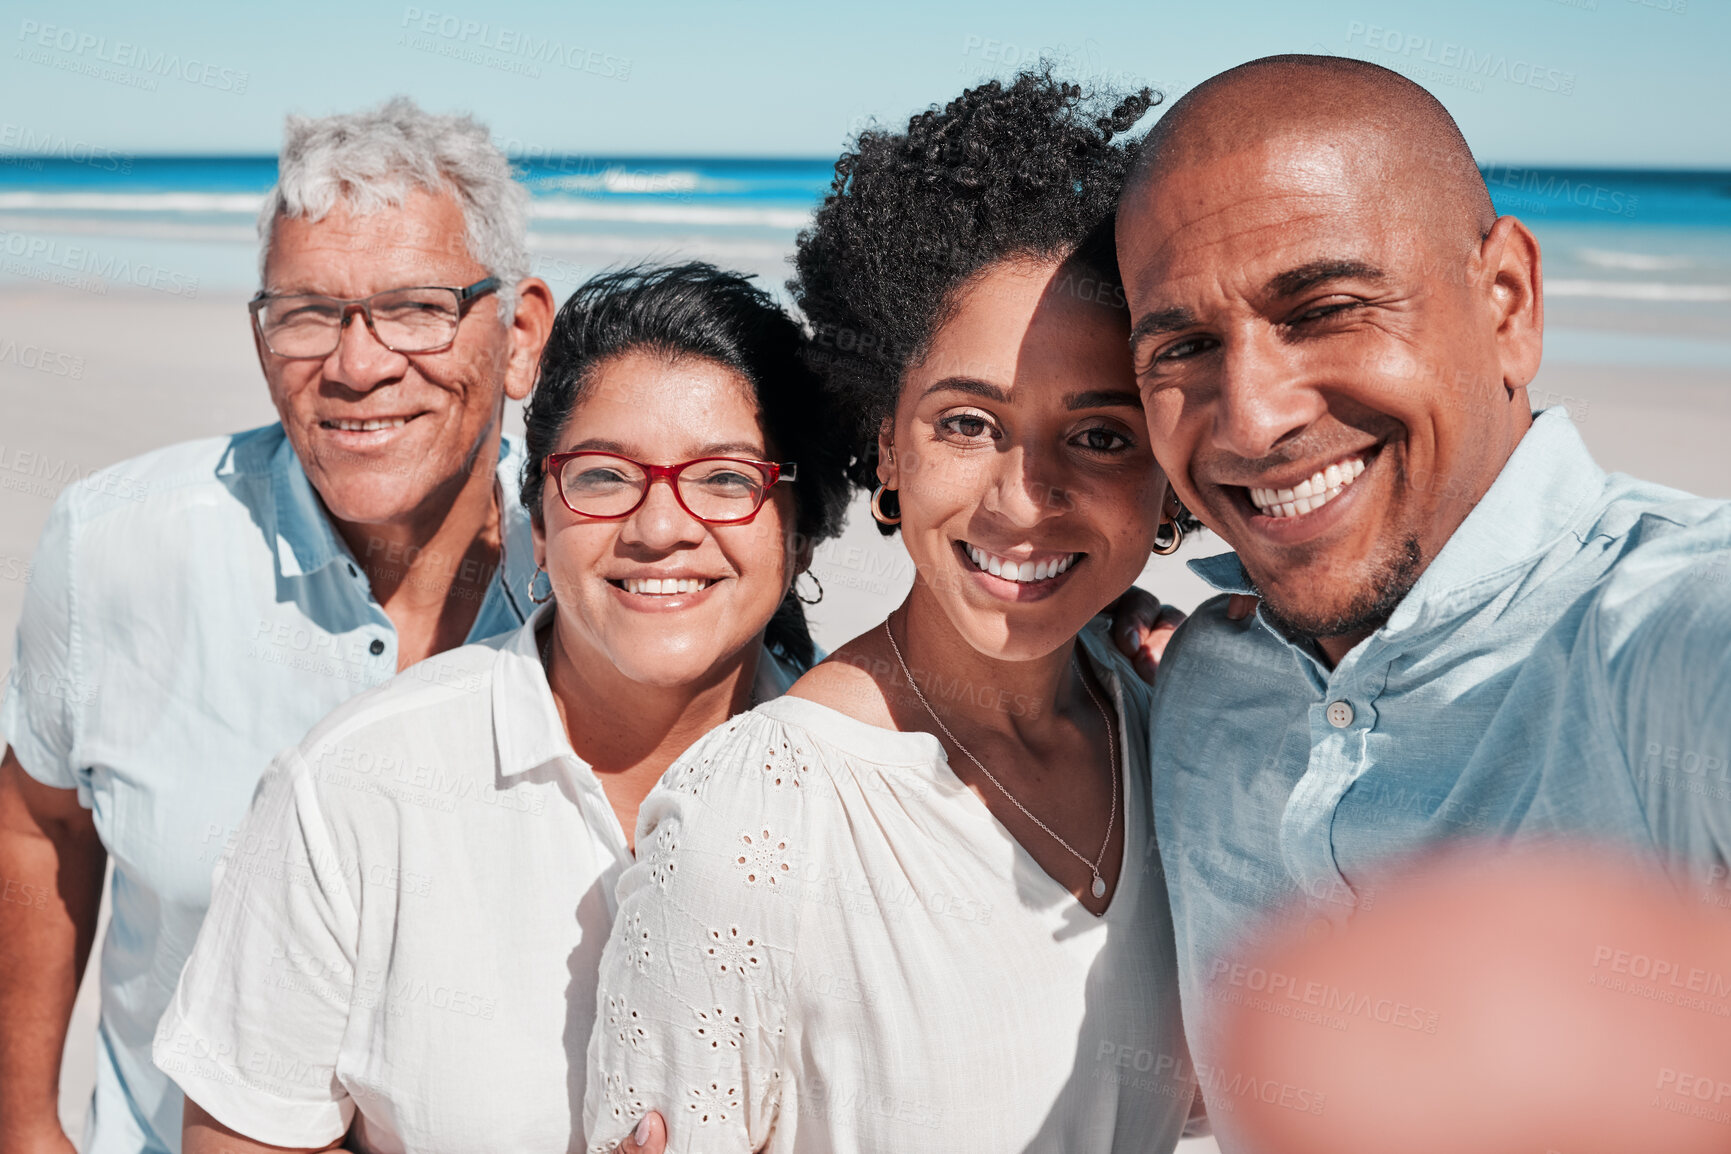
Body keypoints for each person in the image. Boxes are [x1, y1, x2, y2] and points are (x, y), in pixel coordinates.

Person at [1115, 54, 1731, 1150]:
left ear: (1508, 303)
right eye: (1186, 347)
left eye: (1327, 308)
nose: (1251, 421)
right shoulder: (1205, 685)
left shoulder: (1663, 640)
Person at [583, 72, 1199, 1154]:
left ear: (1170, 468)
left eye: (1100, 435)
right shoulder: (757, 819)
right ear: (886, 443)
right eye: (968, 422)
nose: (1023, 495)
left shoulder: (1182, 741)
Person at [150, 263, 853, 1154]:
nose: (660, 524)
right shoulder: (354, 789)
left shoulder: (881, 791)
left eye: (723, 478)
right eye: (602, 476)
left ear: (798, 527)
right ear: (542, 513)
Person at [0, 98, 553, 1154]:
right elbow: (39, 818)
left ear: (519, 335)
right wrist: (25, 1124)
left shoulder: (608, 572)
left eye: (416, 308)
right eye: (307, 312)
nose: (356, 365)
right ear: (261, 337)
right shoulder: (119, 546)